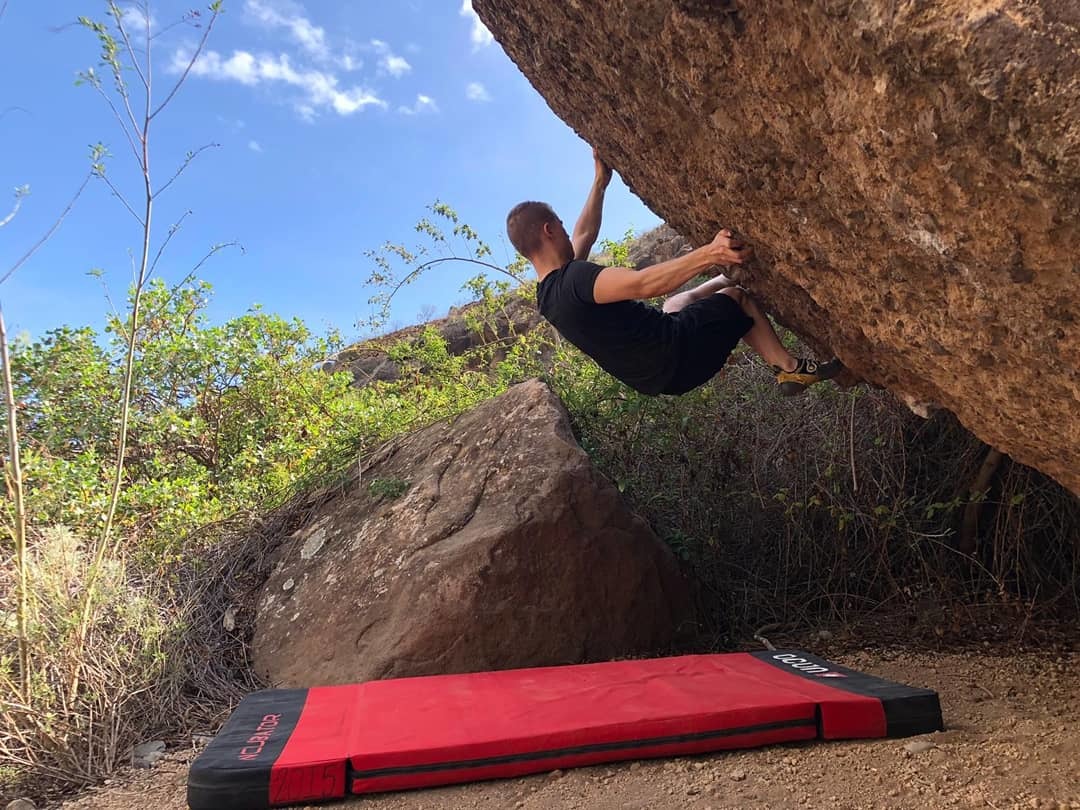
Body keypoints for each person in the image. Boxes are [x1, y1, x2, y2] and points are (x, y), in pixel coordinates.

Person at [506, 150, 842, 397]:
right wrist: (711, 252)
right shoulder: (577, 279)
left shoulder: (550, 295)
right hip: (675, 353)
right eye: (561, 228)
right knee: (738, 299)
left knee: (681, 301)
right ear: (549, 231)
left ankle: (728, 278)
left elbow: (584, 235)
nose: (569, 233)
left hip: (656, 376)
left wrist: (600, 182)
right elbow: (642, 284)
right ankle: (790, 370)